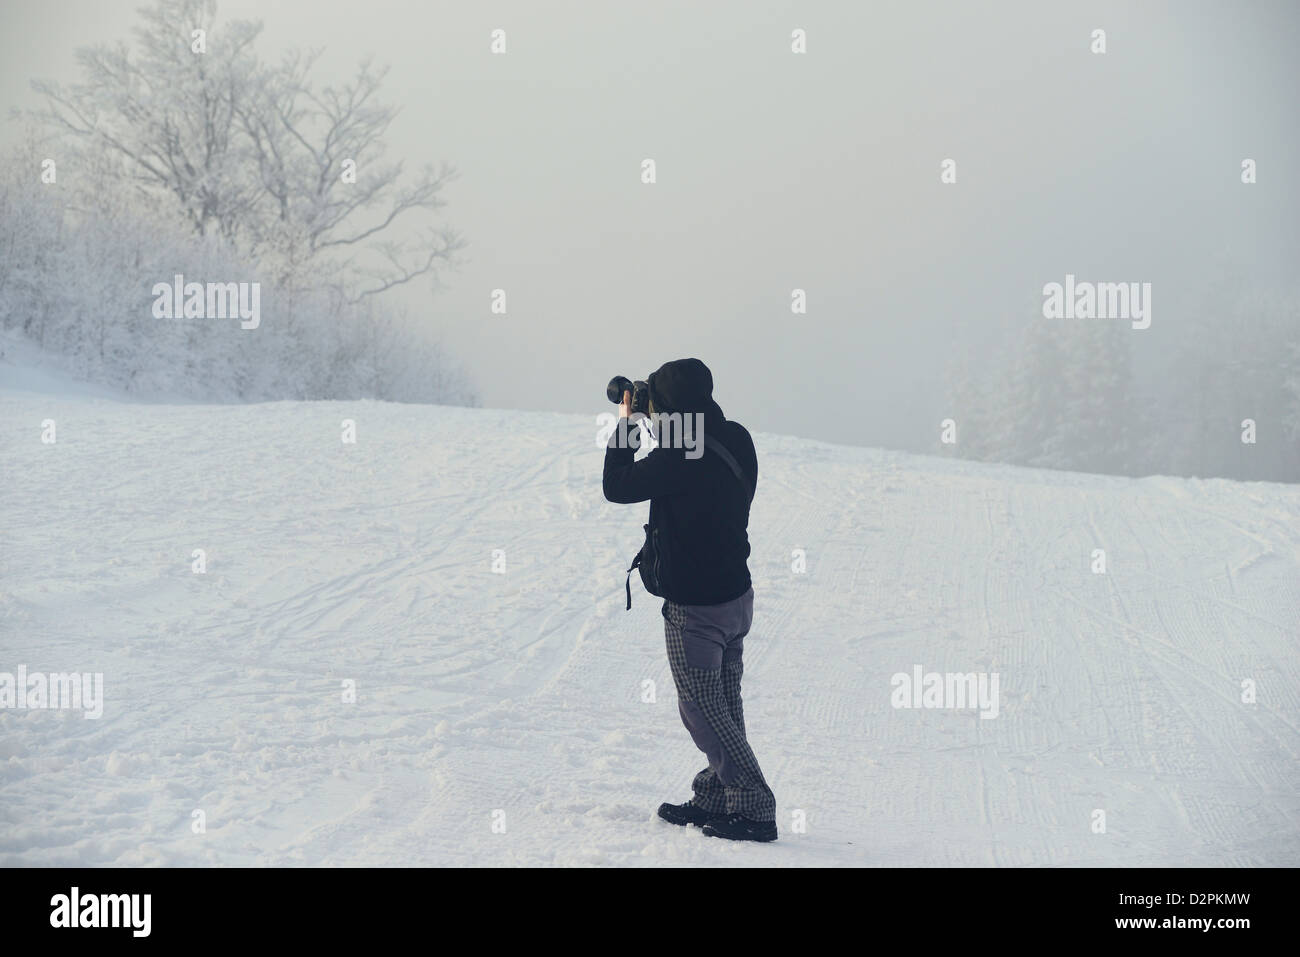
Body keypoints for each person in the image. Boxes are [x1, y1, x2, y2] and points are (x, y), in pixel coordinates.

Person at [603, 357, 777, 842]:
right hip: (736, 597)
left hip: (696, 609)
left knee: (701, 708)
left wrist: (628, 420)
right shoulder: (735, 436)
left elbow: (616, 486)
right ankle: (719, 792)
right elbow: (693, 463)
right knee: (723, 701)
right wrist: (658, 419)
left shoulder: (679, 454)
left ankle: (755, 806)